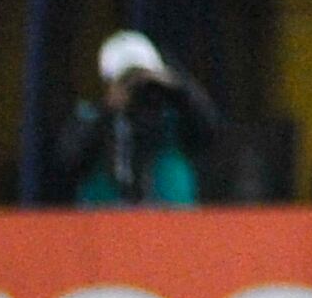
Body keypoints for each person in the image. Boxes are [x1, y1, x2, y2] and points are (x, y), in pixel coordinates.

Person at [57, 30, 215, 206]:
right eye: (128, 79)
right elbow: (70, 161)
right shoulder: (90, 117)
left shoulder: (174, 115)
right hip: (106, 221)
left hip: (172, 220)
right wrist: (108, 112)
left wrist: (179, 91)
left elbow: (209, 133)